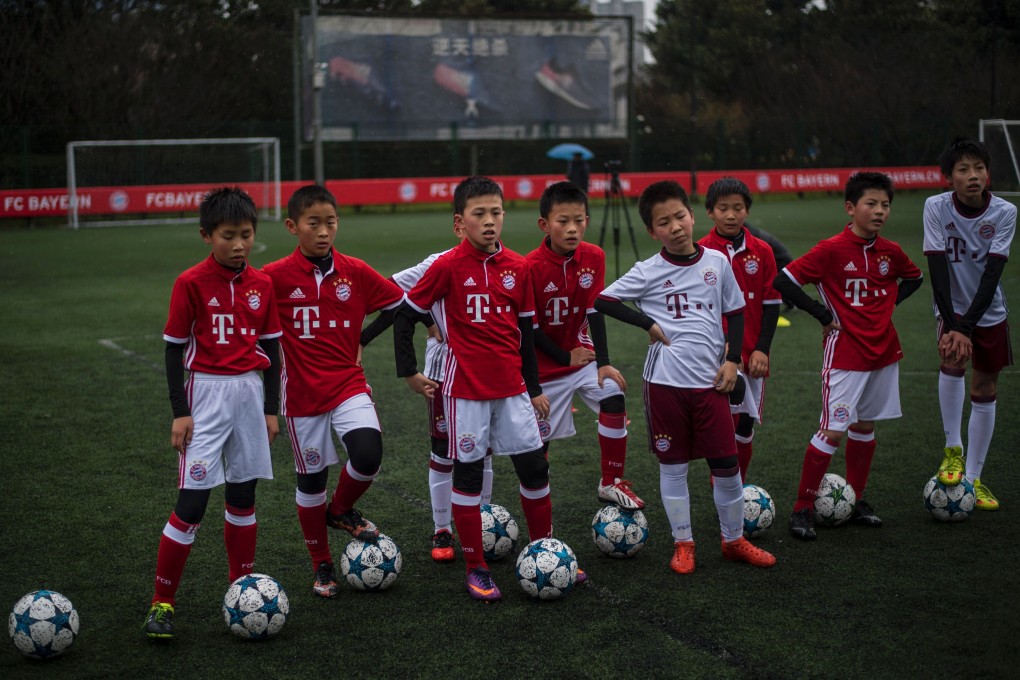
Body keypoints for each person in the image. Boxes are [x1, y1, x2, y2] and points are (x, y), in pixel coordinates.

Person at [393, 176, 574, 602]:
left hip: (512, 390)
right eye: (479, 214)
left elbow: (525, 335)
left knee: (534, 469)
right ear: (460, 223)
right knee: (469, 475)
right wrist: (410, 372)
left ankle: (544, 551)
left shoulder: (519, 266)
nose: (489, 221)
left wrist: (533, 389)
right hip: (465, 393)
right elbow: (404, 314)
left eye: (496, 212)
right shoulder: (445, 267)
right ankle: (476, 568)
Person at [595, 179, 776, 574]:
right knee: (673, 466)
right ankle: (684, 544)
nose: (675, 227)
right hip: (665, 386)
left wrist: (732, 359)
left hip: (712, 383)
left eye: (680, 216)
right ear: (652, 231)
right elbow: (602, 300)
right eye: (664, 222)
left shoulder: (717, 262)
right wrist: (646, 323)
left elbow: (735, 311)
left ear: (693, 217)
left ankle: (733, 540)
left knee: (726, 465)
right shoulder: (648, 270)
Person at [143, 187, 282, 639]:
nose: (238, 244)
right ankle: (162, 603)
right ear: (207, 236)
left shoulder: (263, 284)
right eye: (228, 236)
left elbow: (273, 350)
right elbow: (172, 351)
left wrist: (270, 409)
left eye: (245, 235)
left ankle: (240, 590)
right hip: (205, 396)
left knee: (243, 499)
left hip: (249, 394)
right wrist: (180, 412)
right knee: (192, 502)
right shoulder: (190, 283)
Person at [262, 185, 404, 598]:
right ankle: (321, 563)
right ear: (293, 227)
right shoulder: (272, 277)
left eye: (331, 222)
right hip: (301, 394)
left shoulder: (355, 271)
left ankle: (340, 510)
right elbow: (248, 316)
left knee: (368, 455)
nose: (324, 231)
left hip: (347, 383)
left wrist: (363, 338)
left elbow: (396, 305)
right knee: (311, 482)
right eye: (314, 223)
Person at [773, 172, 923, 540]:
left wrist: (888, 307)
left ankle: (856, 499)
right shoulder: (830, 249)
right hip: (845, 355)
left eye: (885, 205)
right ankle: (802, 508)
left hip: (884, 353)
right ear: (850, 207)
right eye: (871, 203)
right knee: (833, 430)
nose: (879, 211)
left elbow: (915, 278)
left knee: (865, 426)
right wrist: (823, 315)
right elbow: (783, 280)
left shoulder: (890, 251)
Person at [525, 181, 643, 509]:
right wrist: (564, 356)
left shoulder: (594, 256)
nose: (573, 228)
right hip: (542, 367)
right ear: (544, 225)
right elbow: (529, 330)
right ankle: (537, 496)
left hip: (582, 358)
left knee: (613, 395)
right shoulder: (528, 267)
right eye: (563, 221)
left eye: (579, 220)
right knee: (537, 454)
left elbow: (596, 309)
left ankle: (611, 481)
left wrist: (603, 362)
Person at [924, 138, 1016, 510]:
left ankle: (975, 479)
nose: (973, 176)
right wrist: (953, 325)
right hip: (949, 310)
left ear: (987, 173)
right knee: (951, 363)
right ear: (950, 178)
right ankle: (953, 452)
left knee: (984, 385)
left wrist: (968, 325)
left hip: (989, 312)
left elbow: (992, 274)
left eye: (979, 168)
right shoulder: (936, 207)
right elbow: (936, 268)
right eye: (963, 169)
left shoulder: (1005, 211)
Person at [698, 177, 782, 482]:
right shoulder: (701, 251)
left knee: (745, 423)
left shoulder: (763, 251)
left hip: (751, 349)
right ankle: (723, 478)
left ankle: (737, 483)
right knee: (722, 422)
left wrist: (763, 348)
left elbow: (772, 304)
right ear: (710, 212)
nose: (731, 215)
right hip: (712, 355)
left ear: (747, 210)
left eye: (738, 208)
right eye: (723, 208)